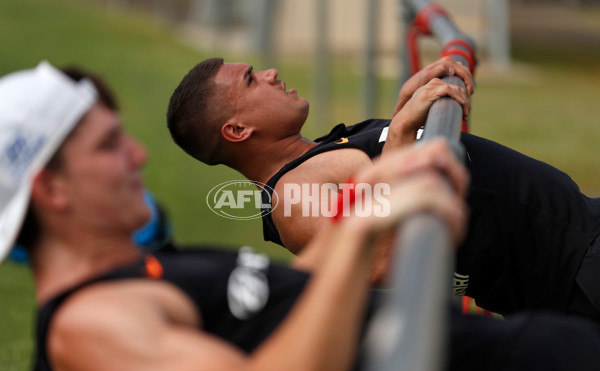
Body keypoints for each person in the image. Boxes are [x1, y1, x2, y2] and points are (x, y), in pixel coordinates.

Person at [3, 62, 600, 371]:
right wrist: (377, 190)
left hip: (522, 351)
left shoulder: (135, 281)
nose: (136, 155)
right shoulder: (83, 325)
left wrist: (386, 161)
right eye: (109, 146)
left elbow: (309, 295)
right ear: (50, 190)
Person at [167, 57, 600, 322]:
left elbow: (380, 198)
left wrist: (404, 110)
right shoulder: (291, 196)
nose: (270, 72)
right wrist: (399, 136)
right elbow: (381, 262)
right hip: (571, 273)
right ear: (238, 129)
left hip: (579, 232)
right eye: (250, 80)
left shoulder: (316, 152)